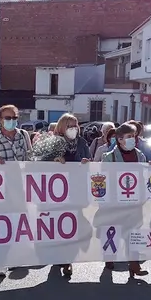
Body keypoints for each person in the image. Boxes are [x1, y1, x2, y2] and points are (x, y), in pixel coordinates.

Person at [0, 105, 33, 277]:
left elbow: (30, 157)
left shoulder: (24, 135)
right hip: (1, 192)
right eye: (7, 118)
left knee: (19, 225)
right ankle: (1, 263)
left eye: (13, 117)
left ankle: (16, 258)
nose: (10, 121)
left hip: (21, 188)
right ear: (0, 119)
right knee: (3, 226)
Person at [102, 123, 149, 277]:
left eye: (134, 136)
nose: (133, 140)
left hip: (134, 200)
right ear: (120, 139)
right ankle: (109, 258)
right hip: (115, 201)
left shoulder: (140, 155)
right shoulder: (109, 157)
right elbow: (104, 179)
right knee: (112, 230)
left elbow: (144, 177)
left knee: (134, 231)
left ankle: (134, 263)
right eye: (129, 137)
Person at [52, 113, 91, 276]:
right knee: (57, 226)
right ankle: (57, 256)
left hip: (76, 192)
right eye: (69, 125)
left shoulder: (82, 142)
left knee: (72, 227)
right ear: (62, 127)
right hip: (56, 193)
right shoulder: (52, 142)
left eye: (75, 125)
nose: (73, 128)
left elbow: (89, 160)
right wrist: (53, 160)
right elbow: (36, 161)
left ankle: (68, 260)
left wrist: (85, 162)